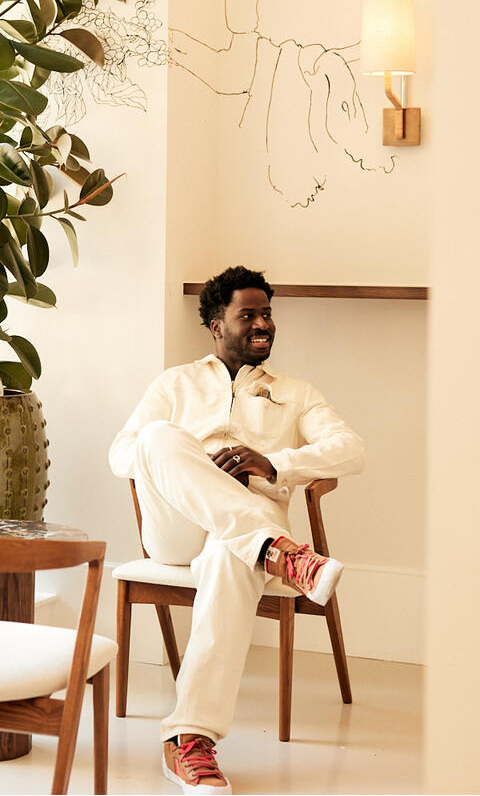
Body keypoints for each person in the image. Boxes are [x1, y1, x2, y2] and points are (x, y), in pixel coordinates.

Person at [108, 266, 364, 794]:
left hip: (245, 528)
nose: (262, 324)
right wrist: (193, 464)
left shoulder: (295, 392)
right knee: (156, 437)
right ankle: (281, 552)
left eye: (267, 314)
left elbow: (351, 449)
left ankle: (188, 740)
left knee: (234, 554)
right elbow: (121, 453)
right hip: (176, 528)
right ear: (215, 325)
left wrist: (272, 462)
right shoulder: (175, 382)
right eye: (247, 314)